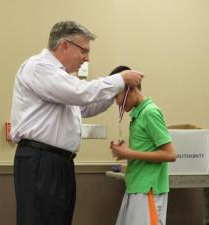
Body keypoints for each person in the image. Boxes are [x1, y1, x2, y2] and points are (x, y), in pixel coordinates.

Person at [10, 21, 143, 225]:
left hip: (58, 163)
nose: (87, 58)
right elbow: (81, 92)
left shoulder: (61, 80)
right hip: (41, 161)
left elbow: (84, 107)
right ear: (64, 45)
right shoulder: (39, 67)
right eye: (84, 51)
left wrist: (114, 93)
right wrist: (119, 79)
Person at [109, 66, 176, 225]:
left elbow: (170, 154)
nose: (117, 102)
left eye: (117, 96)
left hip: (148, 190)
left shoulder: (150, 112)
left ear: (129, 89)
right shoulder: (139, 115)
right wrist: (124, 151)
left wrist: (129, 154)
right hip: (136, 187)